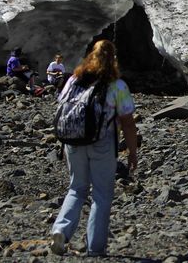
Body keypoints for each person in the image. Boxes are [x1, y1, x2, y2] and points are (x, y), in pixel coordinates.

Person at [49, 40, 138, 256]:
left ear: (90, 57)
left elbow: (62, 105)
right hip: (102, 143)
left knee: (76, 188)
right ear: (113, 60)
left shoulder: (74, 80)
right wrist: (133, 152)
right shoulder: (117, 86)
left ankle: (60, 230)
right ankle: (95, 248)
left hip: (73, 141)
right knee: (101, 193)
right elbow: (127, 121)